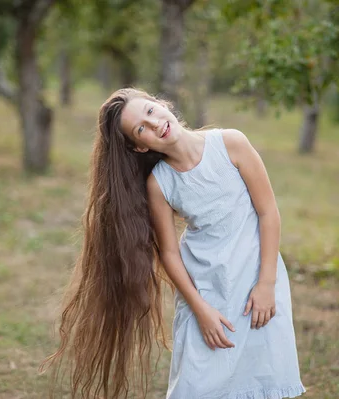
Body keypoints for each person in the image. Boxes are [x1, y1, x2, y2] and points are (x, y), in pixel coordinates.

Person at [41, 88, 305, 399]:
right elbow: (168, 252)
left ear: (160, 104)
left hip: (256, 281)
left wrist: (266, 284)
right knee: (197, 383)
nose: (154, 125)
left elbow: (268, 212)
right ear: (139, 147)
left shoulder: (231, 143)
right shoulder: (160, 183)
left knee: (260, 377)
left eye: (150, 112)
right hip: (207, 289)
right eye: (141, 129)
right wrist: (200, 308)